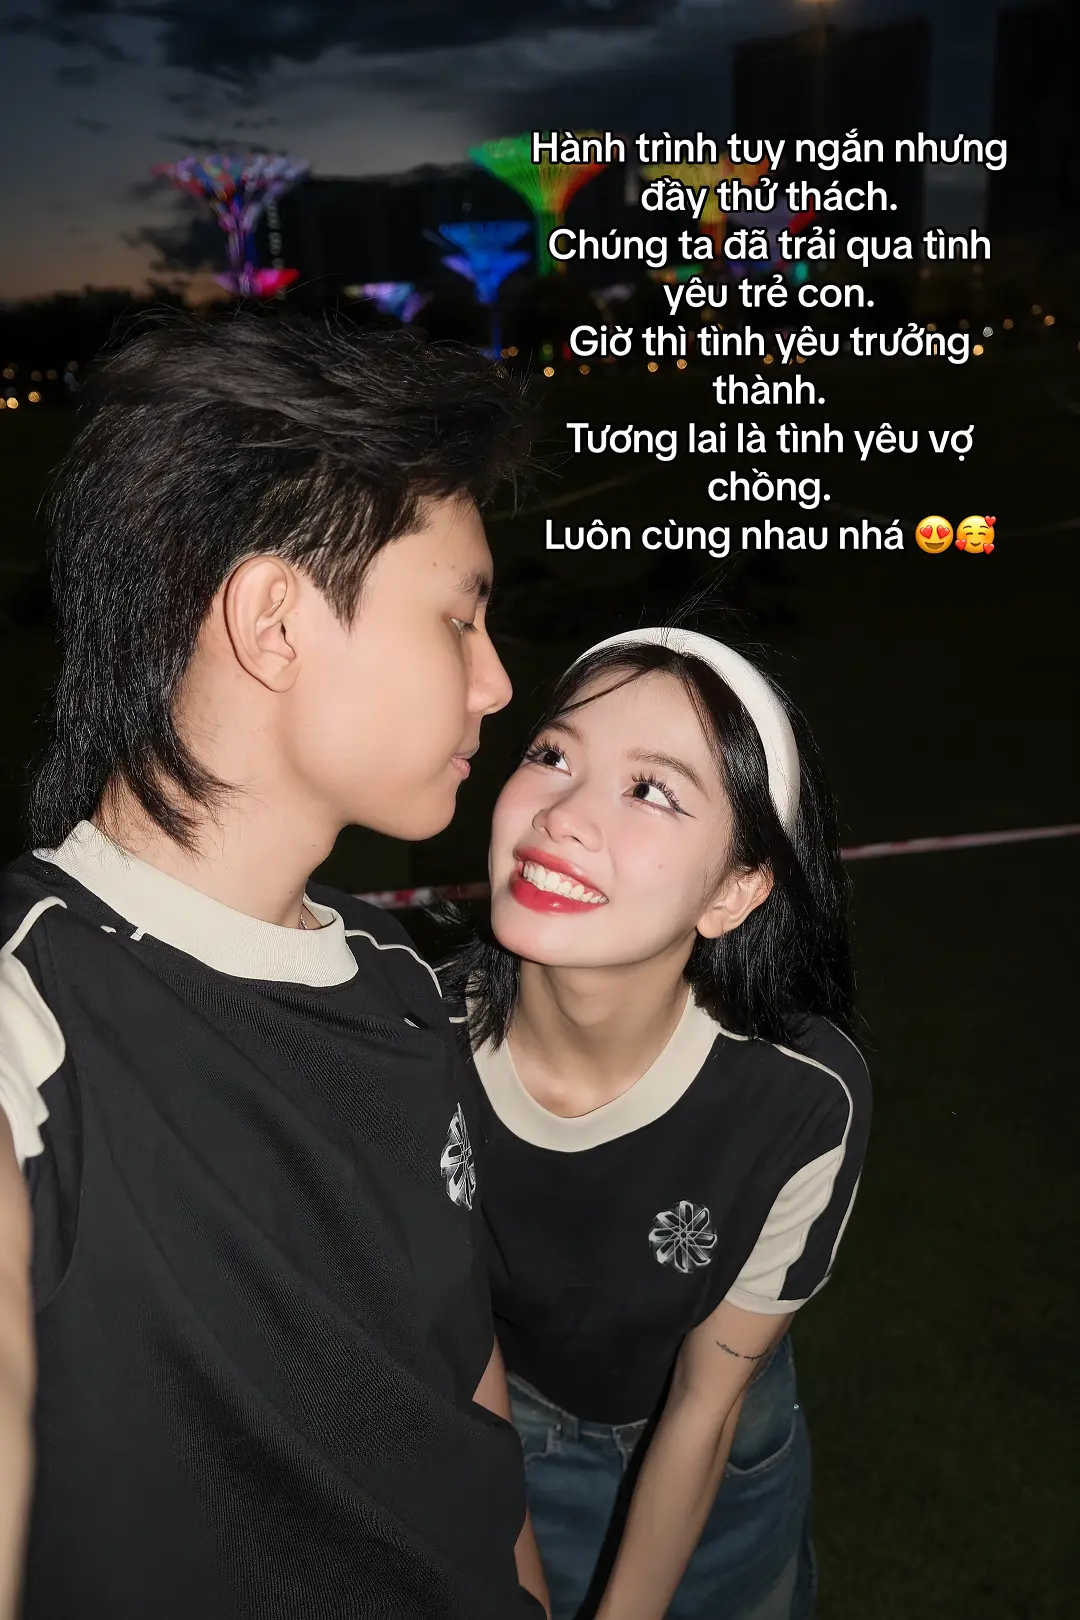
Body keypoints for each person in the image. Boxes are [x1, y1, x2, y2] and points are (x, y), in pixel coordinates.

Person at [0, 311, 549, 1620]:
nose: (494, 682)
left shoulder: (399, 983)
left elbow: (462, 1391)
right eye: (459, 617)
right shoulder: (30, 1024)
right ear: (276, 622)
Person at [441, 627, 872, 1620]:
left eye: (651, 790)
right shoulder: (412, 1047)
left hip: (725, 1446)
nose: (563, 816)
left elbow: (707, 1404)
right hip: (505, 1432)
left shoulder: (800, 1100)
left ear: (735, 891)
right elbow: (461, 1360)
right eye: (553, 755)